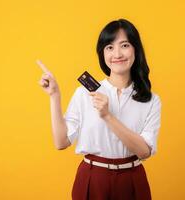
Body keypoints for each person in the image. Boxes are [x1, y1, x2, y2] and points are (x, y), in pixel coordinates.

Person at [38, 18, 161, 200]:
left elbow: (144, 152)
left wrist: (107, 116)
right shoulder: (84, 93)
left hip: (132, 179)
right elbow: (61, 142)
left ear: (136, 49)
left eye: (124, 45)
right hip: (92, 178)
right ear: (102, 53)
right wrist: (54, 96)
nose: (117, 53)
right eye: (109, 47)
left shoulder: (151, 100)